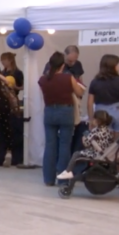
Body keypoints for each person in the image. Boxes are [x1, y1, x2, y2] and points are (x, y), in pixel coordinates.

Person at [39, 51, 86, 186]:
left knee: (50, 145)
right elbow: (79, 92)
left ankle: (48, 178)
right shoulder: (68, 78)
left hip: (49, 111)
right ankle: (63, 179)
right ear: (62, 65)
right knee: (65, 145)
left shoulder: (43, 79)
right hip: (66, 111)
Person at [57, 110, 115, 181]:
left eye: (94, 119)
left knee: (76, 153)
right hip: (104, 153)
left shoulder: (96, 131)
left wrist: (84, 138)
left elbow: (87, 143)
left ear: (97, 121)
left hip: (96, 153)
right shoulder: (109, 131)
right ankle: (71, 171)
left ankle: (68, 171)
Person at [88, 54, 119, 132]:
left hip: (100, 113)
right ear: (114, 66)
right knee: (118, 135)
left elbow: (89, 103)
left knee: (102, 135)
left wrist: (91, 119)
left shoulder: (95, 82)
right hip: (118, 112)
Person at [0, 52, 25, 167]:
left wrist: (15, 87)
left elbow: (23, 86)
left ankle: (16, 157)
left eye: (4, 60)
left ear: (10, 60)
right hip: (3, 101)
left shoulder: (18, 73)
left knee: (14, 129)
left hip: (13, 101)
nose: (2, 62)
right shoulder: (2, 73)